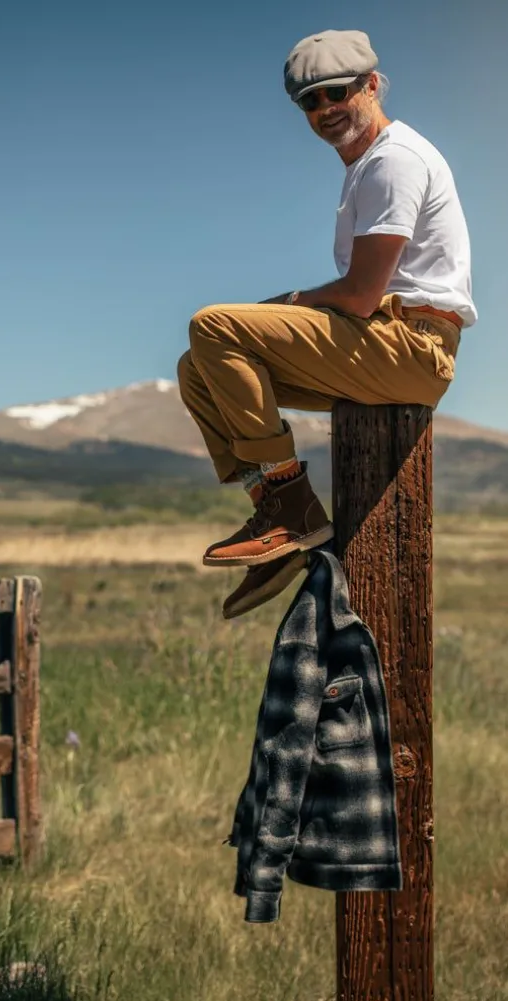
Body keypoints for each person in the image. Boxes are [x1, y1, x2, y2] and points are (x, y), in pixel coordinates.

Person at [177, 29, 476, 620]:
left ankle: (291, 505)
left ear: (371, 85)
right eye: (309, 102)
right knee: (198, 369)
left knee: (212, 326)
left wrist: (286, 302)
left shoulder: (395, 160)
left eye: (336, 92)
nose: (324, 110)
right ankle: (278, 510)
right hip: (385, 343)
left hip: (412, 347)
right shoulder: (367, 166)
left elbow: (363, 296)